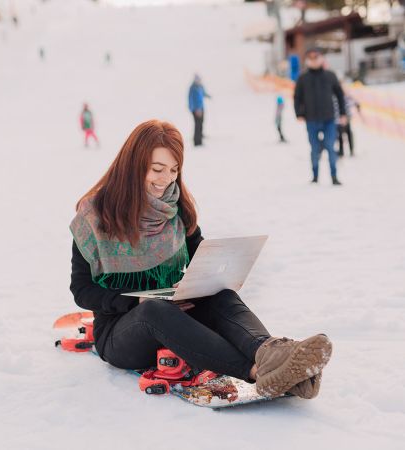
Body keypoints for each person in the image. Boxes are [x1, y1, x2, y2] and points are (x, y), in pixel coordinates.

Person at [69, 119, 333, 400]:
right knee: (154, 310)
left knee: (220, 294)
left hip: (180, 313)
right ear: (134, 164)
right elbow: (82, 291)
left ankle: (269, 353)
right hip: (122, 332)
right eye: (157, 169)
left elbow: (200, 256)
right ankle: (257, 372)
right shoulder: (96, 216)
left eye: (173, 170)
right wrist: (136, 301)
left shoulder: (175, 208)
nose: (165, 179)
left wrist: (207, 278)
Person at [294, 48, 346, 185]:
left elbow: (340, 95)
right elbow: (297, 97)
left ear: (321, 58)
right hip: (311, 119)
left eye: (316, 57)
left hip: (329, 119)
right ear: (307, 61)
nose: (314, 60)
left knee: (330, 146)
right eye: (310, 58)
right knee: (315, 148)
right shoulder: (302, 78)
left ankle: (334, 176)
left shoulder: (330, 75)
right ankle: (315, 175)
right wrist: (298, 113)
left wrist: (343, 113)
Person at [334, 93, 360, 157]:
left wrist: (357, 105)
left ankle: (350, 151)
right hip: (339, 121)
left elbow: (353, 102)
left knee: (348, 135)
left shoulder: (346, 96)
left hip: (345, 120)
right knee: (341, 136)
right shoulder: (335, 97)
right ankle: (342, 152)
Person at [188, 74, 211, 147]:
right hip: (196, 110)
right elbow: (191, 100)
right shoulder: (193, 88)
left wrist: (208, 96)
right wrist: (195, 109)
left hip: (201, 108)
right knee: (197, 125)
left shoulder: (200, 87)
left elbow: (203, 93)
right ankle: (197, 142)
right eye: (197, 79)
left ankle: (200, 139)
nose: (198, 81)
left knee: (201, 124)